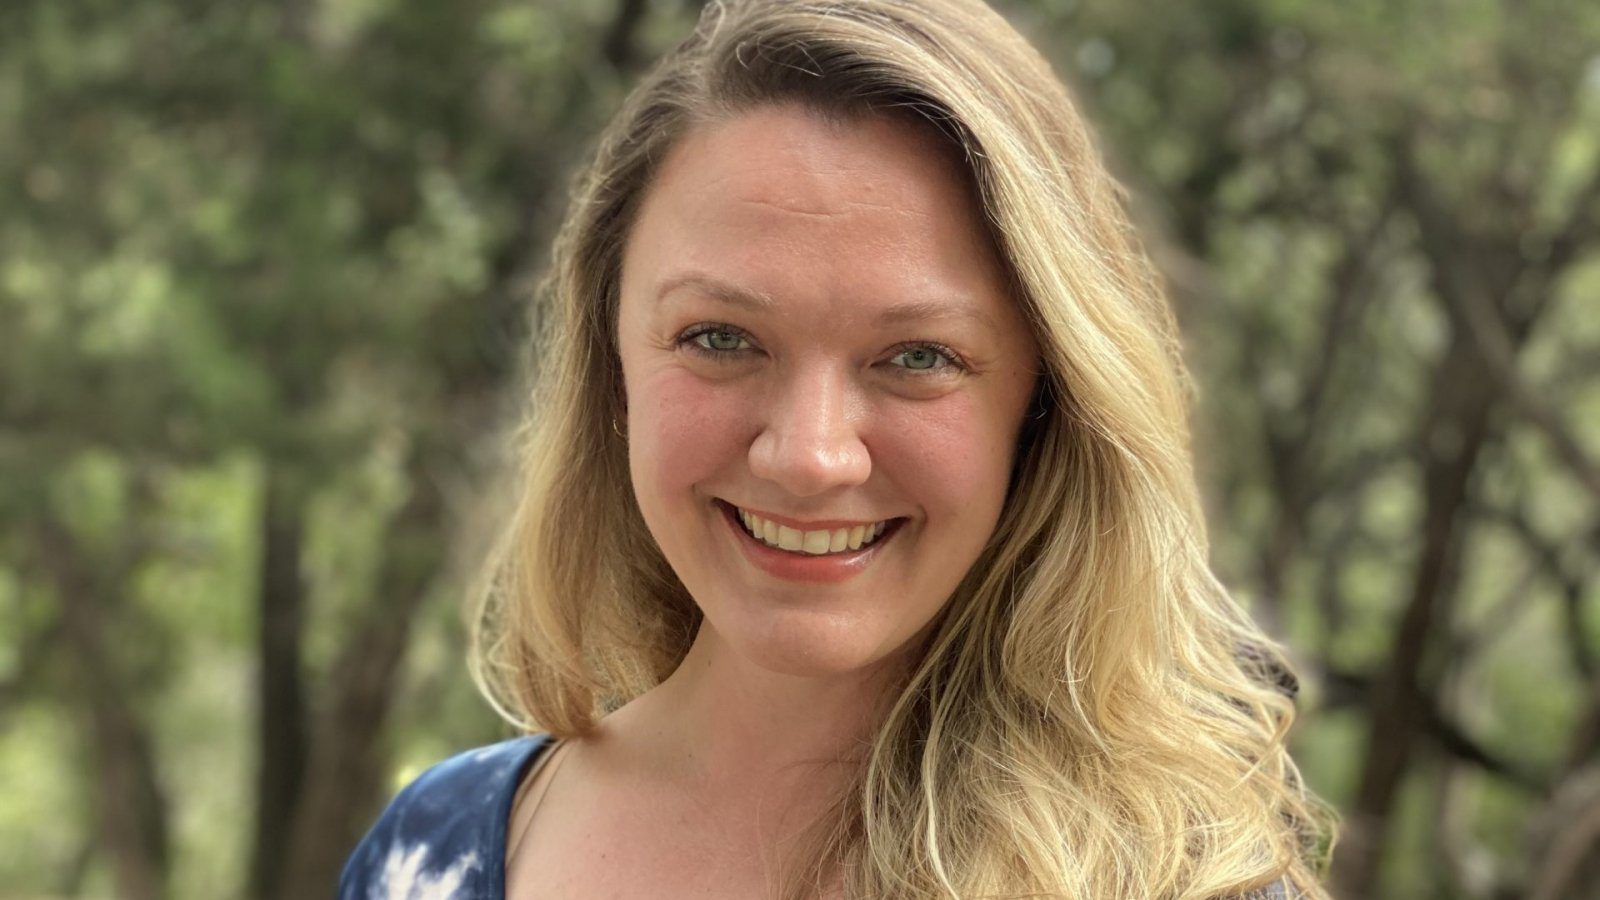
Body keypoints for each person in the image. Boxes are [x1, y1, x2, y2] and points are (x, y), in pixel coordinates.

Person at [338, 0, 1337, 897]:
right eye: (720, 339)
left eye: (916, 356)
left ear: (1042, 402)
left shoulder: (1176, 885)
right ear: (612, 368)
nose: (810, 458)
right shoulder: (424, 853)